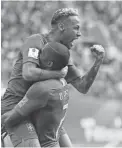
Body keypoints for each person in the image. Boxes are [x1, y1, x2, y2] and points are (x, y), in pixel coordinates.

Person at [1, 8, 105, 147]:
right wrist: (58, 74)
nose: (79, 34)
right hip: (15, 109)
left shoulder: (61, 53)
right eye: (76, 28)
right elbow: (28, 73)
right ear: (61, 26)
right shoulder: (36, 41)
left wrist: (98, 62)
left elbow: (82, 86)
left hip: (42, 111)